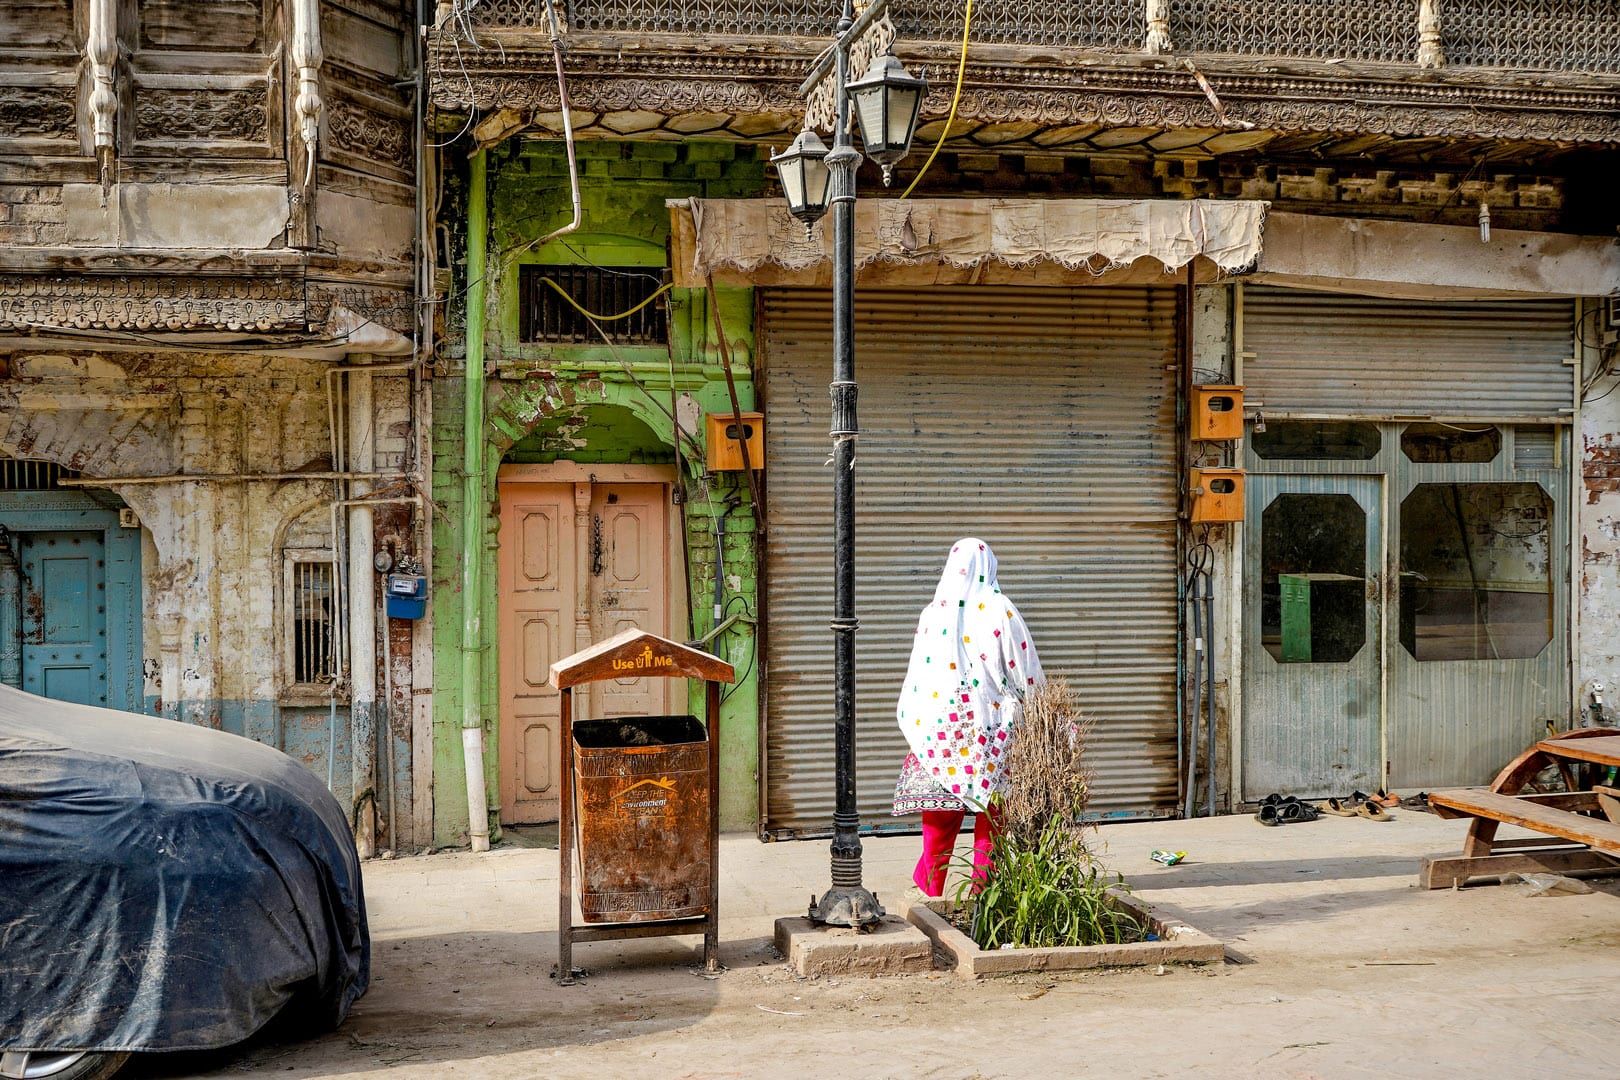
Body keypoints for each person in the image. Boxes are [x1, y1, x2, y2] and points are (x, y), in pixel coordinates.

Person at [891, 538, 1044, 897]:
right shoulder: (1000, 609)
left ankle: (930, 888)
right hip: (992, 728)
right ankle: (983, 891)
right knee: (993, 815)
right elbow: (1023, 667)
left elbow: (919, 672)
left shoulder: (932, 613)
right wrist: (1041, 706)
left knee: (940, 817)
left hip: (943, 726)